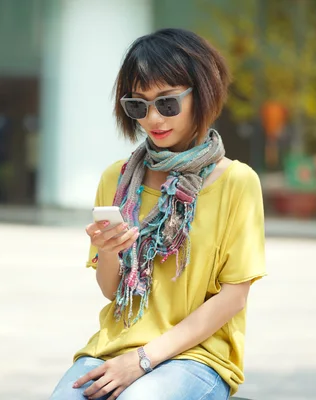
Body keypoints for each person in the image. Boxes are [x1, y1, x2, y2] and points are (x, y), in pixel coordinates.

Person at [50, 28, 266, 400]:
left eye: (166, 103)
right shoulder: (117, 180)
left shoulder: (237, 182)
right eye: (138, 105)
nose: (153, 118)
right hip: (115, 347)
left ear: (202, 93)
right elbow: (110, 291)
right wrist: (109, 251)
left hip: (198, 358)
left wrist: (143, 361)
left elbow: (233, 298)